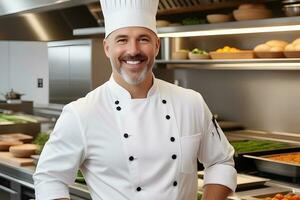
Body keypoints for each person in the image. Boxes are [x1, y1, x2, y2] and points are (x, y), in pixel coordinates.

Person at [33, 0, 237, 199]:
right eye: (122, 39)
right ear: (107, 48)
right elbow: (49, 178)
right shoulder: (81, 113)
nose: (133, 50)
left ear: (156, 46)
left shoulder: (191, 102)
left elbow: (221, 162)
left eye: (143, 39)